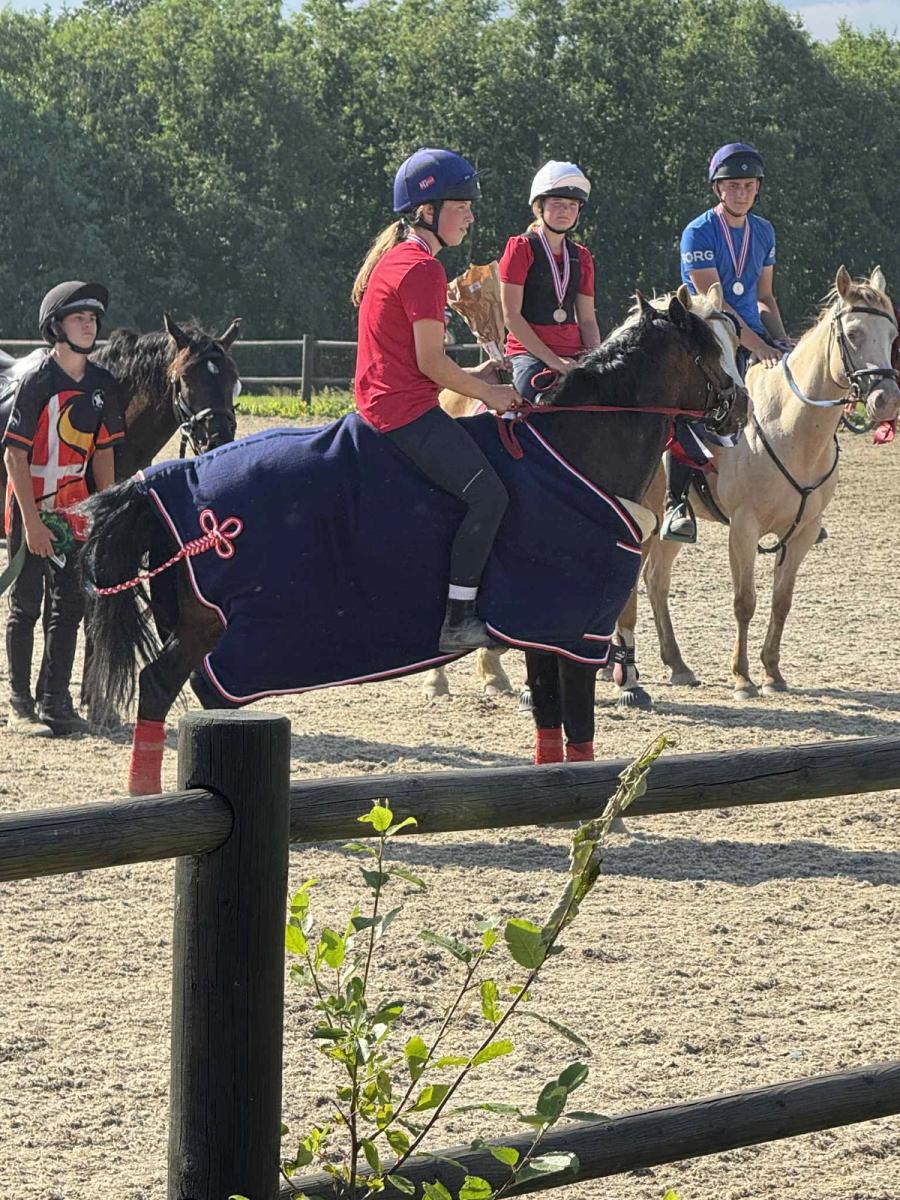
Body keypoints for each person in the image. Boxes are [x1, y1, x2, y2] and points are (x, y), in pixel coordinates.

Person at [351, 148, 518, 653]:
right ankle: (458, 619)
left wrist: (476, 374)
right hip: (404, 414)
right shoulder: (423, 270)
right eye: (461, 206)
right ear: (428, 211)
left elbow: (417, 362)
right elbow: (430, 363)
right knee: (490, 496)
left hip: (390, 402)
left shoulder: (398, 259)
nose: (470, 216)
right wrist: (490, 392)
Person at [3, 281, 125, 735]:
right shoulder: (37, 381)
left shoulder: (103, 384)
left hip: (75, 512)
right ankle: (20, 702)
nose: (89, 325)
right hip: (31, 508)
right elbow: (13, 456)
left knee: (69, 607)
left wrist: (105, 513)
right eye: (79, 318)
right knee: (26, 606)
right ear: (56, 326)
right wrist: (32, 523)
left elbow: (105, 453)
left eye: (92, 318)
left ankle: (55, 701)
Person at [664, 141, 792, 542]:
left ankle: (799, 500)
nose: (741, 192)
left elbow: (764, 296)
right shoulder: (698, 232)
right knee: (690, 405)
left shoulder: (764, 231)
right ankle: (675, 502)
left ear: (758, 188)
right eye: (733, 185)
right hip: (710, 335)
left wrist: (781, 340)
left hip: (754, 335)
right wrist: (757, 345)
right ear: (718, 189)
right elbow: (715, 301)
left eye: (748, 185)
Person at [499, 161, 602, 402]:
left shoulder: (582, 257)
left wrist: (595, 358)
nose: (565, 211)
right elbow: (511, 316)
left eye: (572, 205)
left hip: (575, 355)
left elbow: (587, 320)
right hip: (529, 354)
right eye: (557, 203)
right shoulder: (521, 248)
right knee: (525, 404)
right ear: (539, 206)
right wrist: (553, 361)